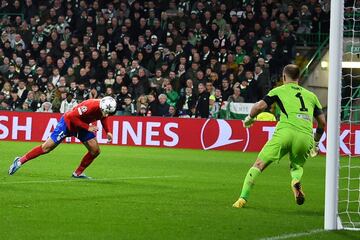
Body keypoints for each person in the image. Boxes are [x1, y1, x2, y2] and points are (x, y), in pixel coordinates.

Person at [232, 64, 326, 208]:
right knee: (296, 166)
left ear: (283, 77)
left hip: (285, 133)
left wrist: (249, 119)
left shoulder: (279, 90)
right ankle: (295, 181)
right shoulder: (311, 96)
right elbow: (322, 122)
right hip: (305, 137)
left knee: (258, 164)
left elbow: (259, 107)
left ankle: (242, 199)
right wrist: (316, 142)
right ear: (298, 78)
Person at [8, 96, 117, 179]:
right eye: (105, 112)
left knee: (95, 151)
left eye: (108, 113)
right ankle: (20, 161)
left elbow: (103, 117)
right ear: (101, 106)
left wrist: (108, 131)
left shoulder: (104, 108)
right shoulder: (90, 106)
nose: (106, 114)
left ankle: (77, 173)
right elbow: (71, 116)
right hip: (68, 124)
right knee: (47, 148)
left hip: (82, 126)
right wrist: (87, 127)